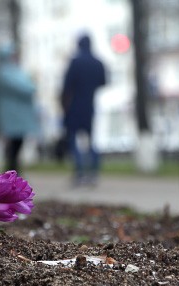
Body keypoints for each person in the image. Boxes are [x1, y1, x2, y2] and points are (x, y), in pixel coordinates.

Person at [60, 33, 107, 186]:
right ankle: (94, 172)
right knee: (91, 140)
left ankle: (79, 173)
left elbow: (67, 86)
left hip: (74, 106)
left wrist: (63, 105)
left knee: (74, 140)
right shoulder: (97, 62)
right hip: (90, 105)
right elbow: (103, 81)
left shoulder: (75, 62)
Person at [0, 45, 40, 174]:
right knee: (13, 144)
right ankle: (11, 170)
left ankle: (13, 170)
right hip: (12, 114)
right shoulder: (4, 73)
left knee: (18, 142)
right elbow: (27, 88)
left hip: (18, 114)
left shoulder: (15, 71)